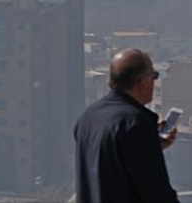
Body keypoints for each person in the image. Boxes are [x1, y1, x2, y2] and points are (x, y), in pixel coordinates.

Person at [73, 48, 179, 203]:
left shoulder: (89, 117)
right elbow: (156, 192)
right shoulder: (134, 124)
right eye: (154, 76)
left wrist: (152, 145)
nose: (154, 83)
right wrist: (146, 143)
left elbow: (107, 167)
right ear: (142, 83)